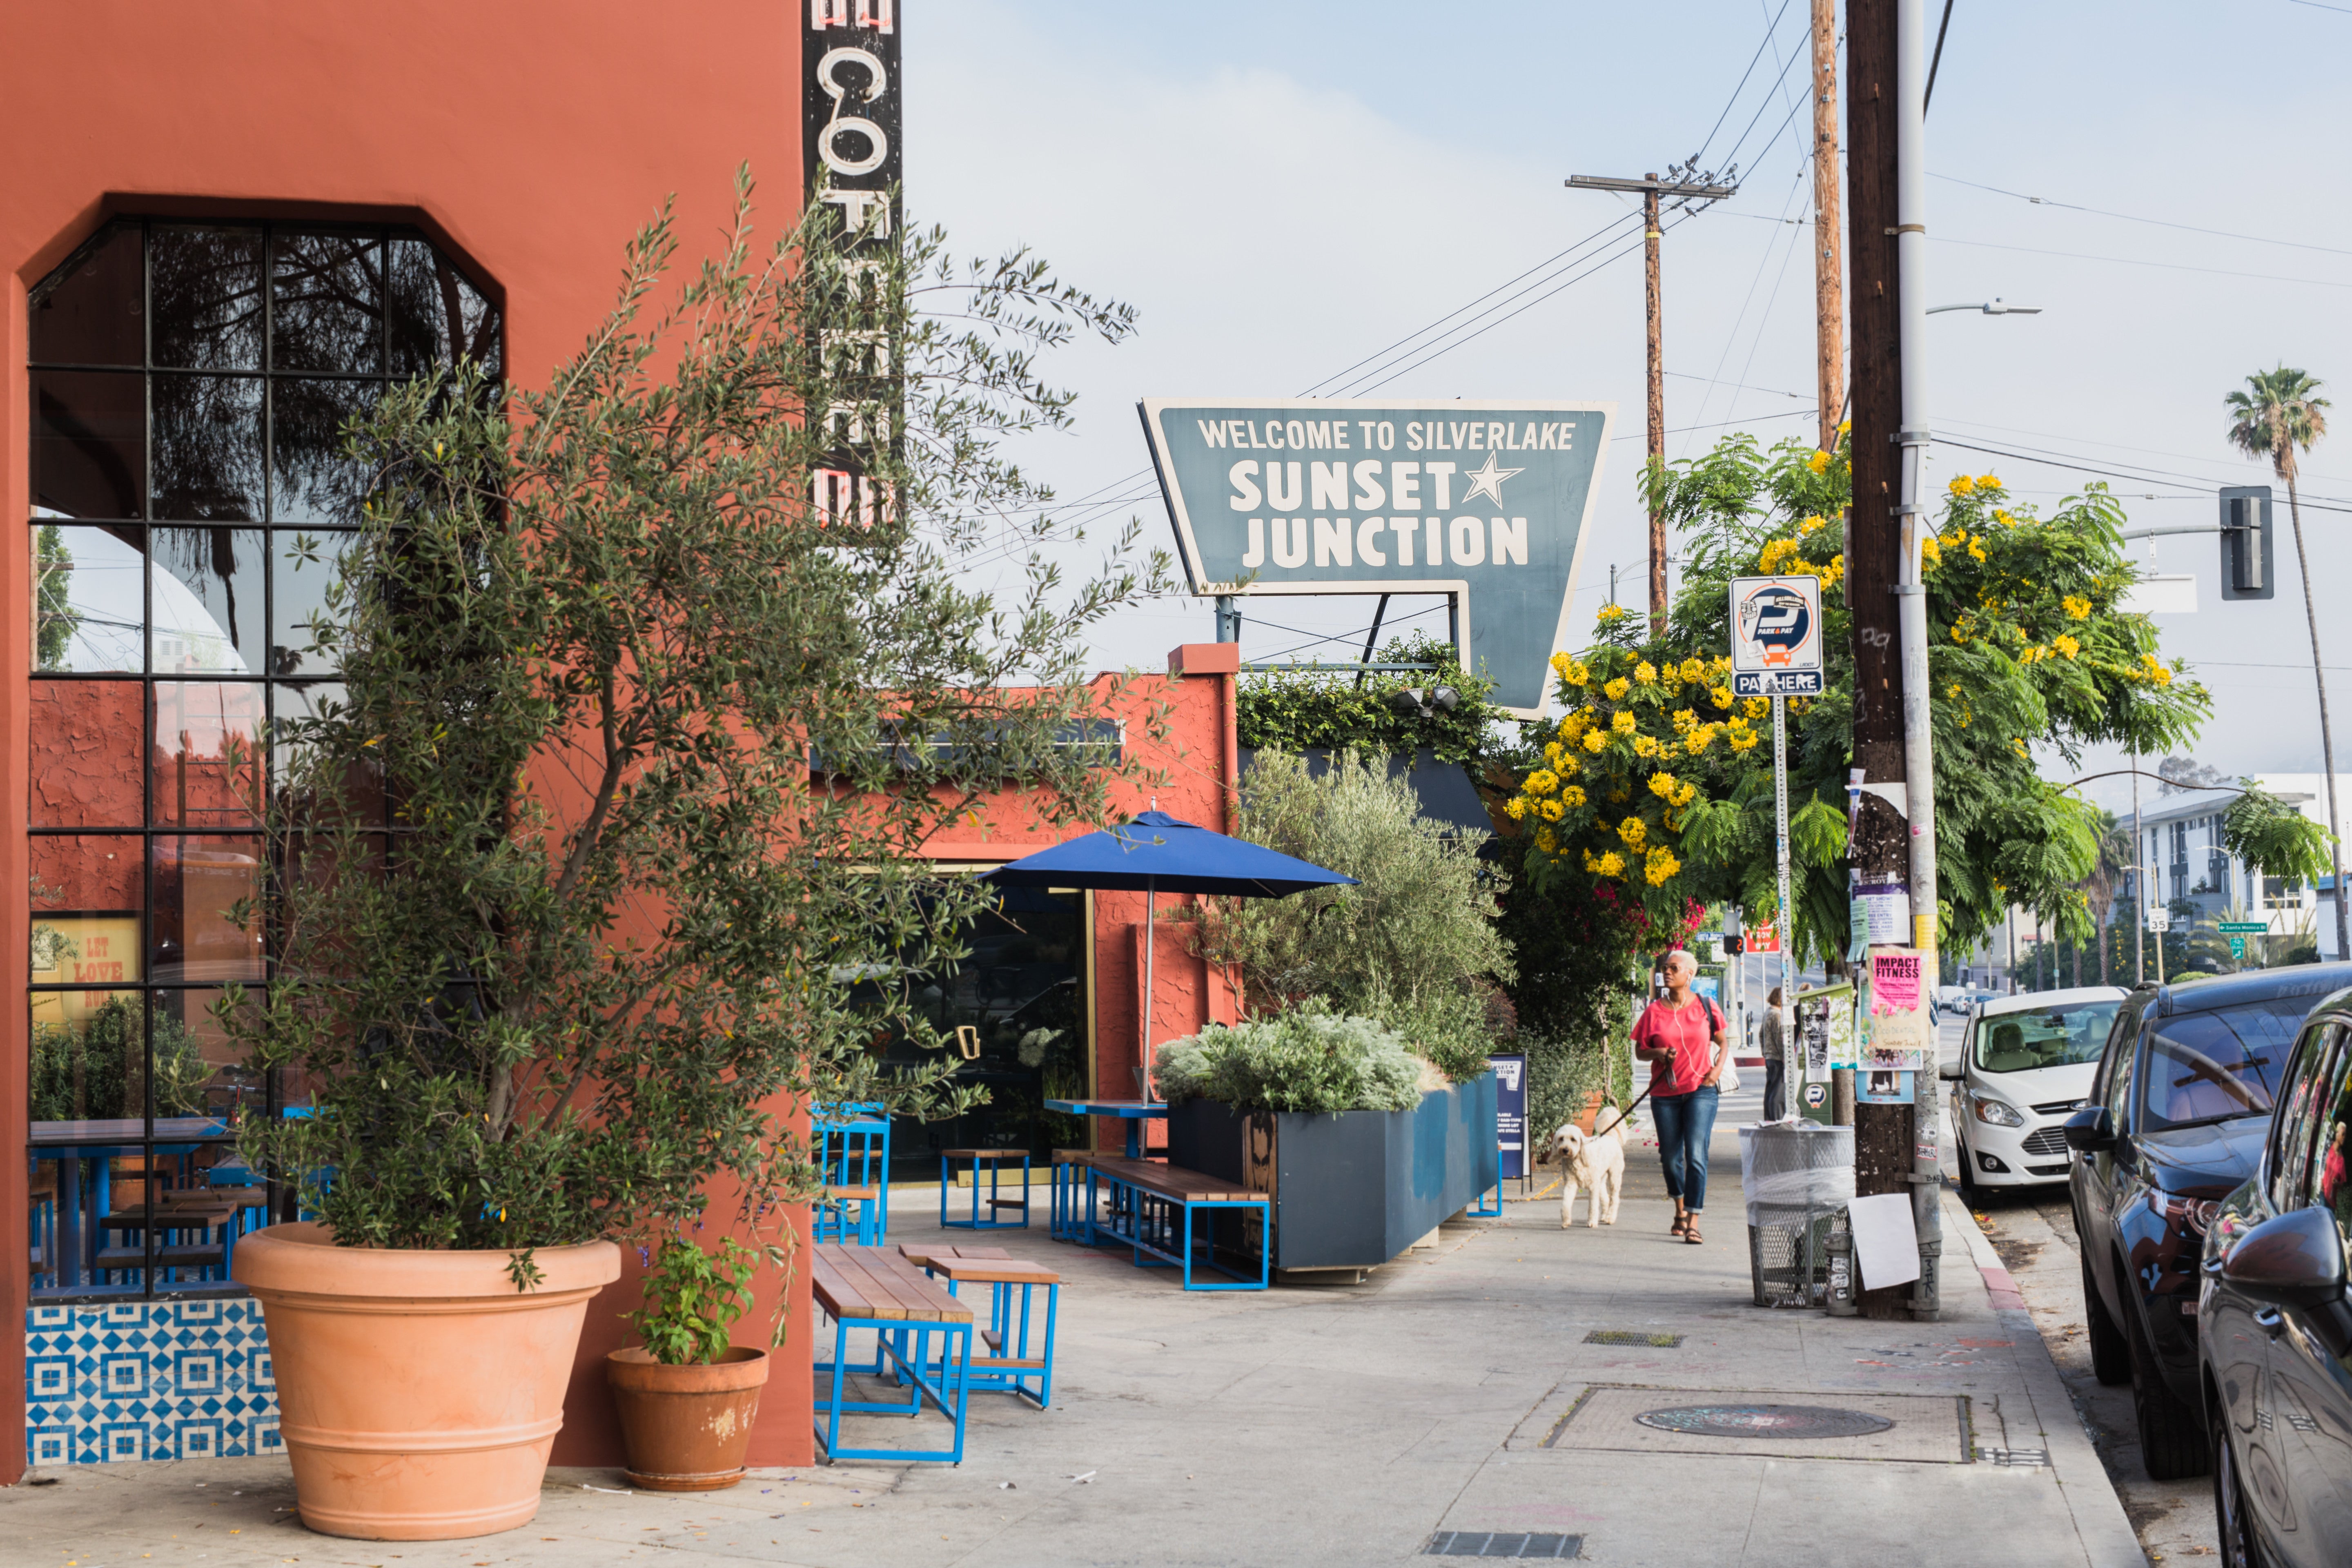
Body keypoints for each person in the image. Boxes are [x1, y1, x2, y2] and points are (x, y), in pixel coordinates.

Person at [1633, 948, 1730, 1244]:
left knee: (1697, 1155)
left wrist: (1717, 1070)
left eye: (1674, 967)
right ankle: (1679, 1210)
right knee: (1671, 1159)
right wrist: (1659, 1053)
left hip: (1702, 1091)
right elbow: (1639, 1052)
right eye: (1665, 967)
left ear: (1690, 974)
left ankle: (1694, 1221)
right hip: (1665, 1094)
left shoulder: (1706, 1005)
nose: (1667, 971)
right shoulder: (1653, 1012)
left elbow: (1724, 1042)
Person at [1760, 987, 1787, 1121]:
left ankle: (1769, 1118)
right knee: (1778, 1092)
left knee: (1771, 1090)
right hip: (1777, 1057)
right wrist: (1785, 1056)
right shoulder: (1777, 1015)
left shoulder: (1768, 1013)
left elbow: (1761, 1035)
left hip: (1770, 1056)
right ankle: (1777, 1119)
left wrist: (1765, 1052)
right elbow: (1779, 1037)